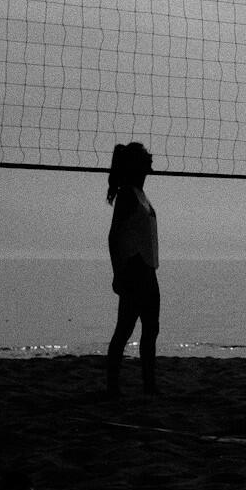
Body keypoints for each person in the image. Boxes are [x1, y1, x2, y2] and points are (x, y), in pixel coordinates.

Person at [104, 142, 160, 398]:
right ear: (137, 164)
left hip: (148, 269)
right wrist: (118, 273)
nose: (151, 160)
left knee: (151, 329)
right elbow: (114, 236)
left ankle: (149, 386)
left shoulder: (140, 193)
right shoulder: (128, 194)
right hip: (135, 270)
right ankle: (113, 387)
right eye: (146, 157)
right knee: (125, 330)